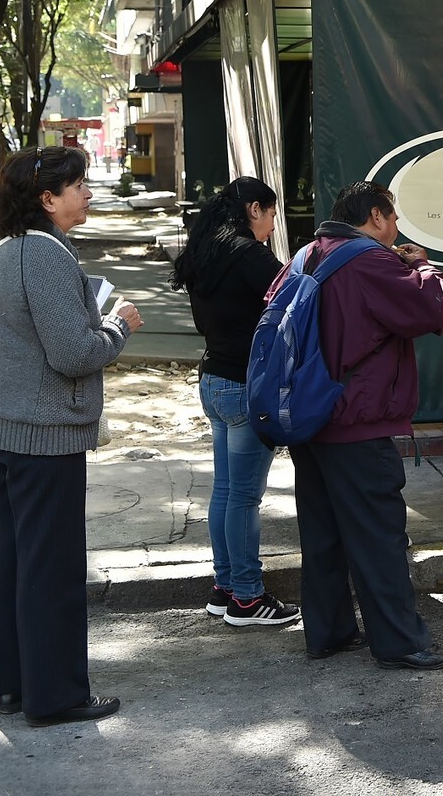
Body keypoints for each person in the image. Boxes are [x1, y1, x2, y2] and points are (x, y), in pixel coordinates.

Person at [0, 146, 142, 726]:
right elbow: (75, 353)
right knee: (53, 569)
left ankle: (16, 685)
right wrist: (117, 323)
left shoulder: (4, 247)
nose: (88, 194)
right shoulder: (43, 254)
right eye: (79, 185)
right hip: (39, 434)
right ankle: (57, 695)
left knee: (17, 560)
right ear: (47, 198)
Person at [274, 181, 443, 668]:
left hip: (310, 417)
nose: (396, 229)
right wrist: (422, 265)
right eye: (393, 218)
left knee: (323, 535)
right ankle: (401, 644)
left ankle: (329, 633)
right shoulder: (369, 260)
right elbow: (433, 309)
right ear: (376, 216)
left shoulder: (306, 255)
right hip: (356, 420)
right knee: (379, 538)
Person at [171, 177, 301, 627]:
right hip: (246, 383)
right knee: (244, 497)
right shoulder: (249, 255)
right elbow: (299, 296)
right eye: (270, 213)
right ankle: (247, 597)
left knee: (226, 491)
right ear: (253, 209)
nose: (271, 224)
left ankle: (225, 587)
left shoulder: (206, 251)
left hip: (214, 380)